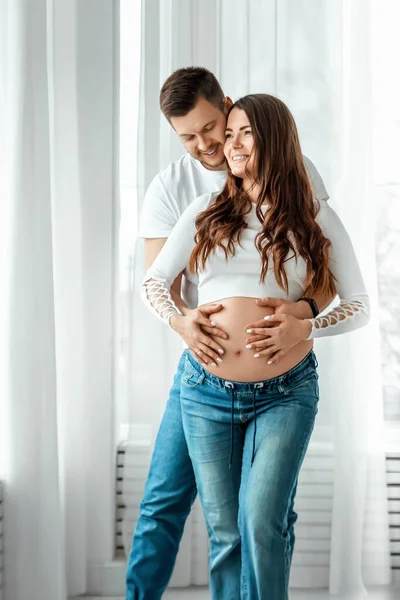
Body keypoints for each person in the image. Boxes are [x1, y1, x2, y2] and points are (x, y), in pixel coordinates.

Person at [140, 94, 369, 599]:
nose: (232, 145)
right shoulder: (205, 209)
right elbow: (153, 282)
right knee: (226, 534)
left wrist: (306, 327)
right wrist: (180, 320)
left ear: (276, 141)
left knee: (262, 521)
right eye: (231, 133)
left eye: (246, 133)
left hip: (286, 392)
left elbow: (359, 303)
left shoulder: (313, 216)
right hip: (206, 390)